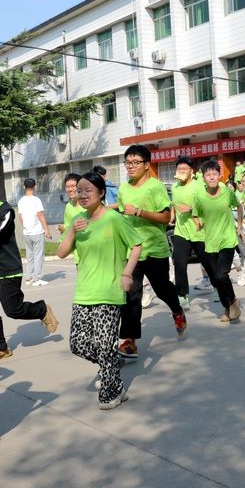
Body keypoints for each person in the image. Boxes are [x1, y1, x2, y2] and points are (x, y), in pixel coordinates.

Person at [57, 172, 140, 409]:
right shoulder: (77, 220)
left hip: (109, 290)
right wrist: (72, 231)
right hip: (84, 292)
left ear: (101, 193)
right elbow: (61, 252)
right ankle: (111, 367)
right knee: (78, 344)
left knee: (104, 345)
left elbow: (136, 245)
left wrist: (127, 273)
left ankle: (111, 393)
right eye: (79, 191)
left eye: (88, 191)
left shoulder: (113, 218)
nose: (82, 195)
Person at [0, 178, 59, 364]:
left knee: (13, 310)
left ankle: (41, 309)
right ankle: (0, 348)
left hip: (8, 268)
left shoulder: (5, 210)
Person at [116, 145, 187, 362]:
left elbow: (166, 218)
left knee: (162, 288)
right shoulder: (123, 189)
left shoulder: (156, 187)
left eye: (135, 162)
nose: (131, 166)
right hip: (132, 251)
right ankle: (129, 342)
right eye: (128, 162)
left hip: (155, 248)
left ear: (147, 165)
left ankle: (177, 310)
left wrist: (139, 212)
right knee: (131, 295)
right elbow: (123, 217)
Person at [192, 160, 243, 322]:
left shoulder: (227, 192)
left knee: (221, 275)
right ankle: (227, 308)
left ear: (219, 176)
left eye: (214, 174)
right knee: (215, 279)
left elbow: (239, 206)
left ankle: (233, 301)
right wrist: (198, 223)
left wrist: (239, 225)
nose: (212, 177)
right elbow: (195, 214)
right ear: (203, 178)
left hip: (227, 239)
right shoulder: (199, 196)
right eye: (208, 175)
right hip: (210, 242)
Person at [169, 156, 214, 311]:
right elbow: (173, 203)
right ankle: (182, 295)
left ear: (191, 171)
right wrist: (172, 216)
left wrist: (190, 209)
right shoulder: (174, 187)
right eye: (179, 169)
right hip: (181, 232)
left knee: (208, 263)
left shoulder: (199, 185)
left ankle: (216, 287)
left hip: (199, 230)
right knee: (179, 263)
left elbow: (208, 205)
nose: (181, 171)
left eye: (184, 169)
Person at [18, 178, 52, 286]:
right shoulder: (36, 200)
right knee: (38, 256)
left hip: (27, 232)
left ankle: (29, 278)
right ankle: (36, 279)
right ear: (35, 187)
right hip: (37, 231)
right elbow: (40, 215)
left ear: (24, 187)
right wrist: (46, 230)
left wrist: (25, 226)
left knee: (30, 256)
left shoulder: (21, 201)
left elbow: (20, 217)